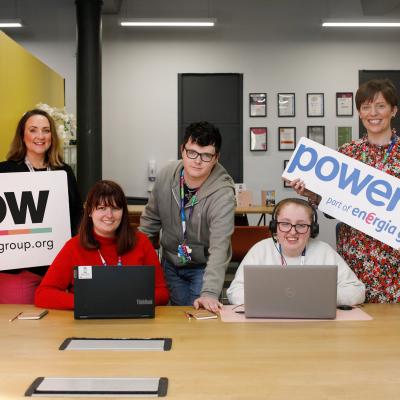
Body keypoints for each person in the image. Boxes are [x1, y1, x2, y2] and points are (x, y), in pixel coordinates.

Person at [290, 79, 400, 303]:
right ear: (359, 113)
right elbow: (334, 211)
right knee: (355, 320)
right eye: (366, 107)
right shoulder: (347, 153)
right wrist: (312, 195)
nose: (373, 113)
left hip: (394, 258)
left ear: (393, 110)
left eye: (380, 105)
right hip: (356, 254)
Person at [140, 121, 236, 312]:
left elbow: (219, 247)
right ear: (182, 150)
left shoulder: (223, 193)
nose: (197, 161)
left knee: (199, 316)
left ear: (216, 157)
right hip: (170, 261)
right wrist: (132, 263)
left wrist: (209, 292)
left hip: (203, 266)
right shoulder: (167, 175)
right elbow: (150, 222)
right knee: (177, 316)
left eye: (206, 155)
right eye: (192, 152)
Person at [35, 180, 169, 309]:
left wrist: (131, 300)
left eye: (115, 208)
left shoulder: (141, 242)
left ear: (123, 212)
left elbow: (162, 292)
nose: (109, 215)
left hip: (131, 322)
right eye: (102, 208)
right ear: (89, 211)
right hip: (87, 323)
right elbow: (43, 294)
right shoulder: (73, 247)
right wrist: (86, 302)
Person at [0, 109, 83, 304]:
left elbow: (76, 213)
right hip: (18, 271)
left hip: (58, 267)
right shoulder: (4, 171)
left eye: (46, 131)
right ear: (23, 135)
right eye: (33, 130)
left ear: (52, 137)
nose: (40, 136)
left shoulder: (64, 170)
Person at [227, 198, 365, 306]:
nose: (292, 232)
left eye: (301, 225)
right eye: (285, 224)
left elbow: (357, 291)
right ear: (275, 226)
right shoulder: (260, 250)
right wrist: (275, 298)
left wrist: (320, 298)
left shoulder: (324, 251)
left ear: (312, 229)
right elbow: (235, 292)